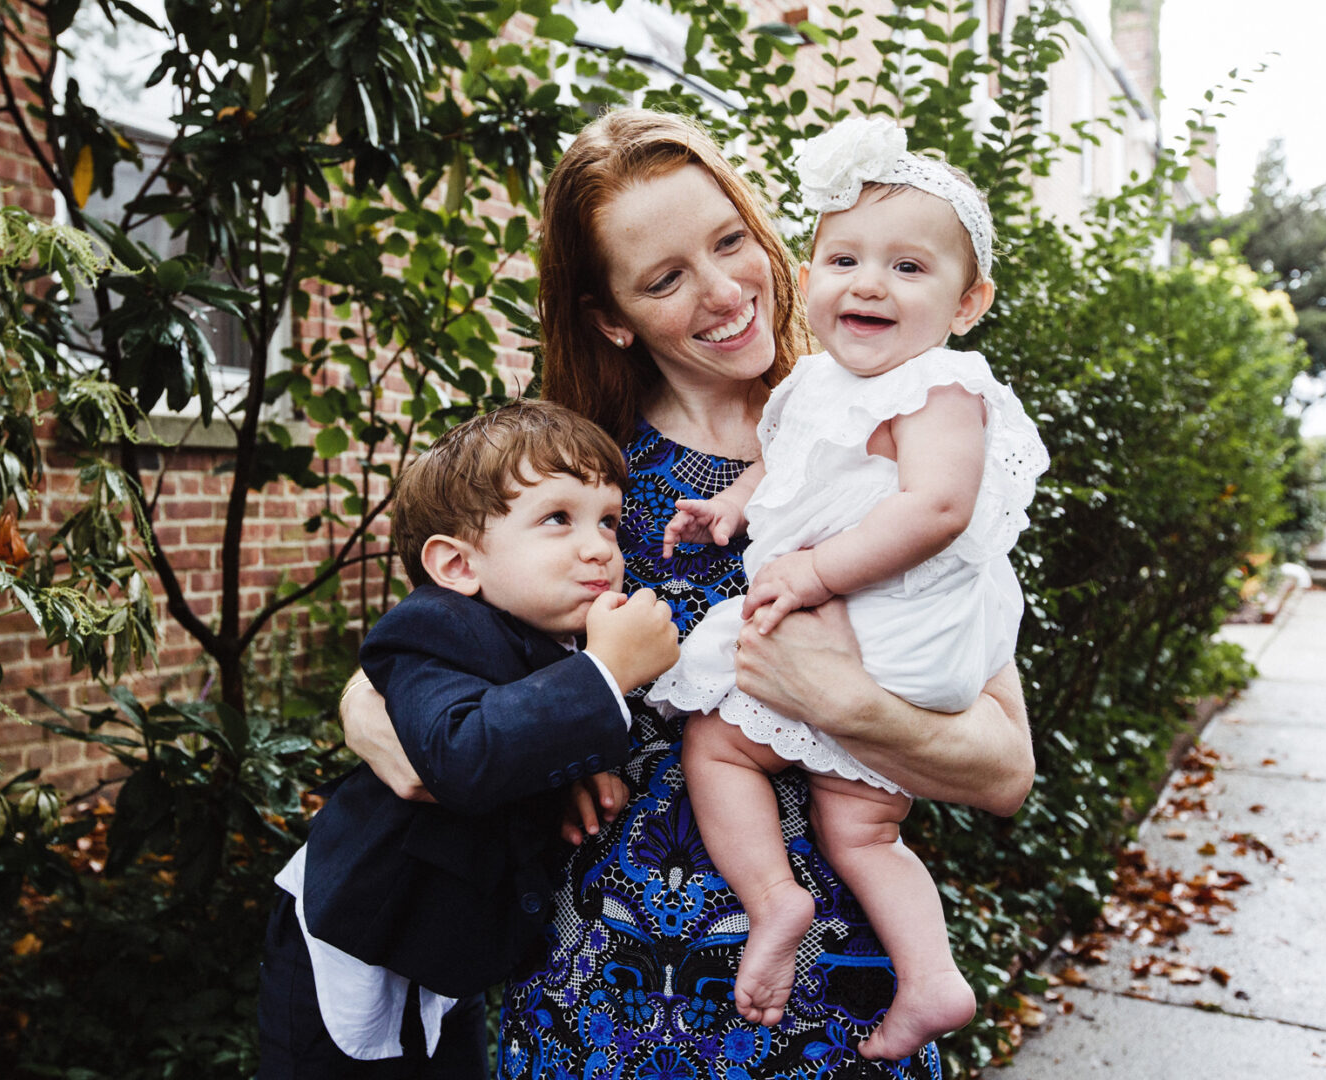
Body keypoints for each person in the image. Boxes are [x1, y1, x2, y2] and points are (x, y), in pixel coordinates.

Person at [342, 107, 1036, 1080]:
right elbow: (413, 670)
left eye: (730, 242)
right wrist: (412, 716)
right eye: (666, 278)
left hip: (827, 998)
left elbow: (1004, 770)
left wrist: (844, 705)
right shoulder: (575, 485)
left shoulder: (887, 440)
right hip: (602, 997)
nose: (723, 292)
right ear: (611, 316)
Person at [645, 117, 1049, 1057]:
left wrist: (817, 571)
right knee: (864, 831)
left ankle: (772, 897)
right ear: (812, 271)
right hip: (855, 634)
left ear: (968, 302)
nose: (869, 283)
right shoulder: (818, 386)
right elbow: (788, 468)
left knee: (718, 744)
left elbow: (940, 507)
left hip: (889, 628)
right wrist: (732, 504)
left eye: (909, 268)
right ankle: (933, 977)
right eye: (844, 258)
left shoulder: (943, 388)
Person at [257, 400, 680, 1079]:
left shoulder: (554, 639)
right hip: (356, 933)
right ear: (457, 565)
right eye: (557, 519)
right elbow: (461, 753)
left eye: (608, 521)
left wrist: (585, 762)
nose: (600, 546)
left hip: (450, 946)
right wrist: (606, 676)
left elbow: (534, 730)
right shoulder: (432, 628)